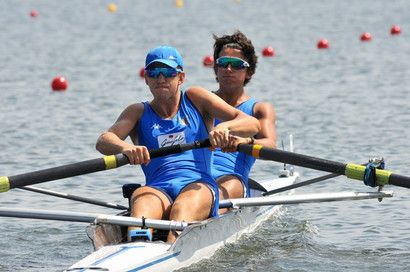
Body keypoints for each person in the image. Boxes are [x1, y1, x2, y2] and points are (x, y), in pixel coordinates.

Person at [95, 45, 260, 243]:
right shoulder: (137, 112)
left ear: (180, 78)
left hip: (198, 186)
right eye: (154, 72)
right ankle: (138, 245)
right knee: (140, 213)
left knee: (180, 213)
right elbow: (104, 140)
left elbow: (252, 123)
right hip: (157, 188)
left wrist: (225, 128)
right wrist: (126, 148)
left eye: (168, 72)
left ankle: (172, 245)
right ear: (146, 78)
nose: (161, 78)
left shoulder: (196, 98)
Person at [211, 31, 277, 213]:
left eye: (237, 65)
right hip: (194, 176)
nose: (228, 69)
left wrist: (245, 141)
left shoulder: (259, 109)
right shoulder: (200, 103)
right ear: (216, 68)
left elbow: (270, 145)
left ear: (249, 71)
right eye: (223, 63)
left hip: (231, 182)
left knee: (215, 194)